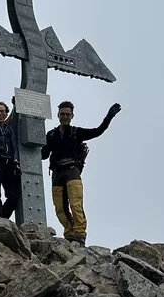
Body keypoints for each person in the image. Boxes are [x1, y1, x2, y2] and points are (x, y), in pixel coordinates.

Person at [41, 100, 122, 243]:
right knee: (59, 207)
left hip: (72, 170)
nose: (65, 116)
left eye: (68, 114)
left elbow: (98, 131)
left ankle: (80, 235)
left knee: (75, 203)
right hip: (57, 172)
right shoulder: (51, 135)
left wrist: (109, 117)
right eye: (62, 114)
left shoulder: (76, 132)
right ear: (58, 115)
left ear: (72, 116)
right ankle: (69, 233)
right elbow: (44, 154)